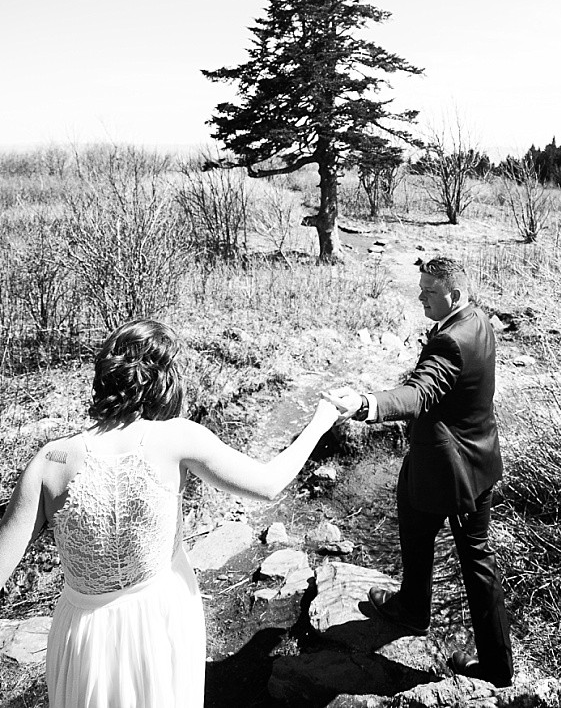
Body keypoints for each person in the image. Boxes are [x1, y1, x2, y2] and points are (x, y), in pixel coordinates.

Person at [0, 319, 340, 708]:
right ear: (163, 381)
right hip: (160, 621)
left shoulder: (49, 461)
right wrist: (321, 419)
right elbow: (267, 483)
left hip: (83, 636)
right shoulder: (177, 437)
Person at [327, 255, 513, 687]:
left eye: (429, 291)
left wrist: (366, 405)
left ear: (455, 294)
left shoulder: (451, 341)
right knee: (414, 522)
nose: (420, 296)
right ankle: (413, 609)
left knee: (476, 565)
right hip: (472, 460)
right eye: (422, 288)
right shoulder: (478, 320)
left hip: (451, 472)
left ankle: (495, 670)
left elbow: (419, 393)